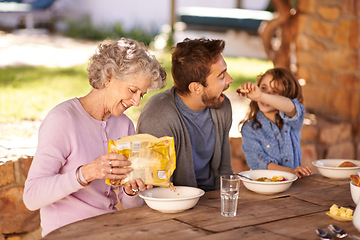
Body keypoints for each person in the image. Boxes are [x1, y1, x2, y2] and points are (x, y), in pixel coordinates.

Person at [23, 38, 167, 237]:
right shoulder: (63, 120)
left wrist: (131, 190)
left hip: (108, 229)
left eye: (141, 95)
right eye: (132, 90)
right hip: (67, 233)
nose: (136, 102)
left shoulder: (124, 124)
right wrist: (86, 173)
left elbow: (129, 204)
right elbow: (31, 197)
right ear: (109, 77)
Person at [136, 38, 234, 191]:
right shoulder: (158, 118)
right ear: (196, 88)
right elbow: (157, 189)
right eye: (221, 76)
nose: (230, 80)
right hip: (175, 202)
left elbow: (225, 170)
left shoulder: (222, 106)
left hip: (213, 198)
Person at [239, 67, 312, 178]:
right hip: (266, 187)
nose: (267, 94)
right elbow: (259, 162)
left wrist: (262, 96)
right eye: (263, 88)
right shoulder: (249, 128)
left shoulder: (292, 120)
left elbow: (291, 107)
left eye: (275, 92)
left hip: (295, 186)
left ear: (286, 96)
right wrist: (291, 171)